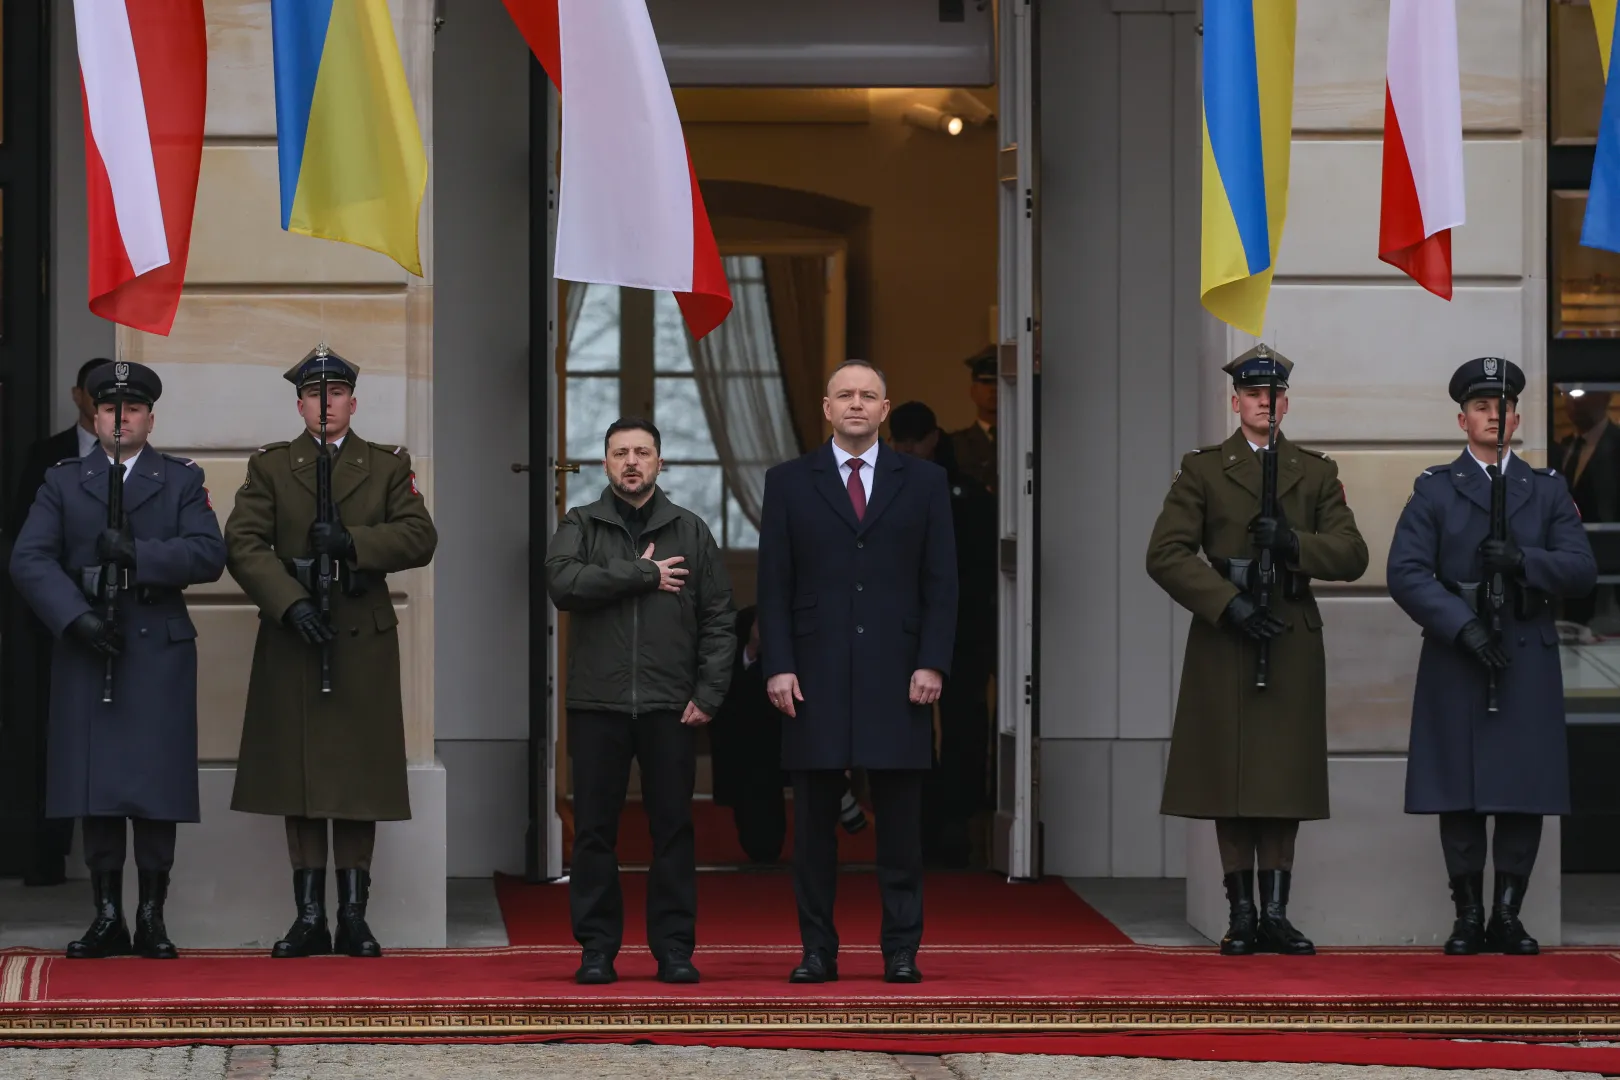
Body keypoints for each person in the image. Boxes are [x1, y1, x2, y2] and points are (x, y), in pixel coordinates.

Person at [1146, 346, 1368, 957]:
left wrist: (1295, 542)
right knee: (1231, 776)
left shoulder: (1314, 472)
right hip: (1229, 633)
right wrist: (1227, 602)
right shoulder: (1205, 470)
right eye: (1253, 393)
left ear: (1286, 402)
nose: (1264, 402)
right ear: (1236, 400)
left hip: (1289, 631)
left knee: (1282, 778)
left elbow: (1352, 555)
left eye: (1274, 394)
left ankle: (1277, 912)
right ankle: (1240, 912)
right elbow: (1165, 553)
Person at [224, 344, 438, 959]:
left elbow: (420, 536)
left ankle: (353, 915)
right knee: (301, 777)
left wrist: (351, 541)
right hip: (297, 634)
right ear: (300, 403)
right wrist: (289, 602)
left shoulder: (387, 465)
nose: (325, 404)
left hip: (359, 638)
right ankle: (309, 916)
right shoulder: (270, 467)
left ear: (351, 400)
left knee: (356, 779)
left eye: (336, 393)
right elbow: (243, 544)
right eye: (314, 395)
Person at [8, 360, 227, 958]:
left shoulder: (180, 480)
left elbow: (209, 554)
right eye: (110, 409)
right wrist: (73, 617)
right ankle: (107, 915)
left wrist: (139, 554)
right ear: (94, 414)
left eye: (132, 409)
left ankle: (152, 915)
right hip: (89, 644)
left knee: (155, 788)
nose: (121, 418)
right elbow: (29, 559)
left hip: (155, 650)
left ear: (150, 418)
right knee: (95, 784)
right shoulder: (61, 481)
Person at [1387, 357, 1596, 956]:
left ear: (1518, 418)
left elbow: (1582, 570)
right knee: (1459, 791)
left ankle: (1508, 915)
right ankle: (1468, 915)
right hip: (1460, 656)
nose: (1493, 416)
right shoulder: (1435, 488)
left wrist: (1527, 562)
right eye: (1482, 407)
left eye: (1502, 408)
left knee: (1520, 791)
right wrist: (1462, 627)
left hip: (1525, 652)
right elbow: (1404, 572)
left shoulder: (1548, 489)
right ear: (1463, 419)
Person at [758, 360, 958, 984]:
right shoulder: (788, 482)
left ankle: (901, 949)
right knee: (815, 830)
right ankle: (817, 950)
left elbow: (942, 582)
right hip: (812, 674)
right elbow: (774, 584)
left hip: (899, 673)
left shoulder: (923, 482)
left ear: (885, 408)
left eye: (867, 395)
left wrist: (932, 660)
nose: (855, 404)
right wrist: (779, 666)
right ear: (825, 408)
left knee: (899, 827)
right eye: (844, 394)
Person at [546, 418, 735, 985]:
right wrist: (641, 574)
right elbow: (562, 584)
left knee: (673, 829)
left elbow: (720, 619)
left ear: (659, 462)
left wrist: (709, 693)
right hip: (597, 703)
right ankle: (597, 950)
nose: (631, 462)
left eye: (642, 452)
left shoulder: (692, 531)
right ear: (605, 463)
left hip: (670, 705)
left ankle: (674, 949)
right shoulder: (579, 523)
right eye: (620, 453)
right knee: (596, 832)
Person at [5, 357, 111, 887]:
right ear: (78, 396)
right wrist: (67, 613)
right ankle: (47, 856)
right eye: (97, 393)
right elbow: (26, 544)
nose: (105, 404)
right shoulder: (46, 457)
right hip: (58, 626)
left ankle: (115, 877)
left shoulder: (149, 460)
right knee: (53, 738)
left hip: (120, 625)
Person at [890, 401, 997, 867]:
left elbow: (982, 570)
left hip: (962, 630)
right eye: (902, 442)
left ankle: (956, 826)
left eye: (917, 440)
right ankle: (917, 827)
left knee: (962, 729)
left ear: (934, 438)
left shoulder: (969, 496)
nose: (910, 450)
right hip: (902, 630)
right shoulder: (881, 491)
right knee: (908, 730)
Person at [948, 347, 998, 495]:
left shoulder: (1026, 441)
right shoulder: (955, 445)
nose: (993, 389)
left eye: (998, 382)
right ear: (973, 391)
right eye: (986, 382)